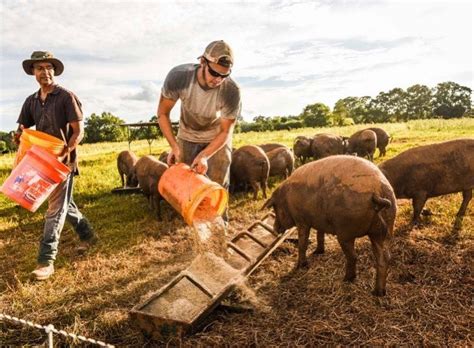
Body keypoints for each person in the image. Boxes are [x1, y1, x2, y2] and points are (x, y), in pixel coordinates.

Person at [14, 51, 96, 281]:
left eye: (49, 67)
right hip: (40, 162)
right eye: (40, 68)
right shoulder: (31, 101)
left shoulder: (66, 97)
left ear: (54, 71)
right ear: (33, 72)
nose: (45, 72)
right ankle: (89, 236)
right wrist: (18, 135)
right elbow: (23, 127)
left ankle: (46, 261)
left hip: (62, 163)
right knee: (64, 206)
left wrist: (65, 153)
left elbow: (79, 132)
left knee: (54, 210)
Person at [157, 40, 241, 221]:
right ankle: (193, 227)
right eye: (214, 73)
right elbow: (163, 114)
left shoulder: (231, 91)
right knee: (187, 185)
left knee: (218, 183)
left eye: (224, 76)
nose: (218, 80)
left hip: (216, 137)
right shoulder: (179, 77)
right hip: (187, 134)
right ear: (203, 62)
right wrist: (174, 146)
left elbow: (226, 131)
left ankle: (219, 228)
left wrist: (205, 155)